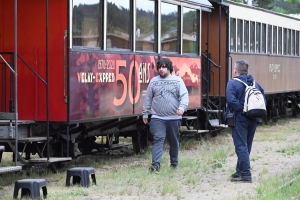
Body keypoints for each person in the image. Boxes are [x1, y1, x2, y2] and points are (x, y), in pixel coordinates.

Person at [142, 57, 189, 173]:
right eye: (159, 67)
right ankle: (155, 166)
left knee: (173, 141)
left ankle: (174, 164)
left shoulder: (177, 81)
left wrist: (181, 108)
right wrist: (145, 113)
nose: (161, 69)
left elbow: (184, 96)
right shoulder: (154, 81)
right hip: (158, 117)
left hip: (174, 118)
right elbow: (148, 98)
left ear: (169, 68)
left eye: (164, 67)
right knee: (158, 139)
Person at [225, 60, 266, 183]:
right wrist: (251, 111)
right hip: (253, 118)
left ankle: (246, 174)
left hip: (240, 119)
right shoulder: (255, 84)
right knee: (246, 146)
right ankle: (239, 171)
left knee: (241, 146)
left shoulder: (232, 83)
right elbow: (263, 99)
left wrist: (242, 110)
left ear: (235, 70)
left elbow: (231, 100)